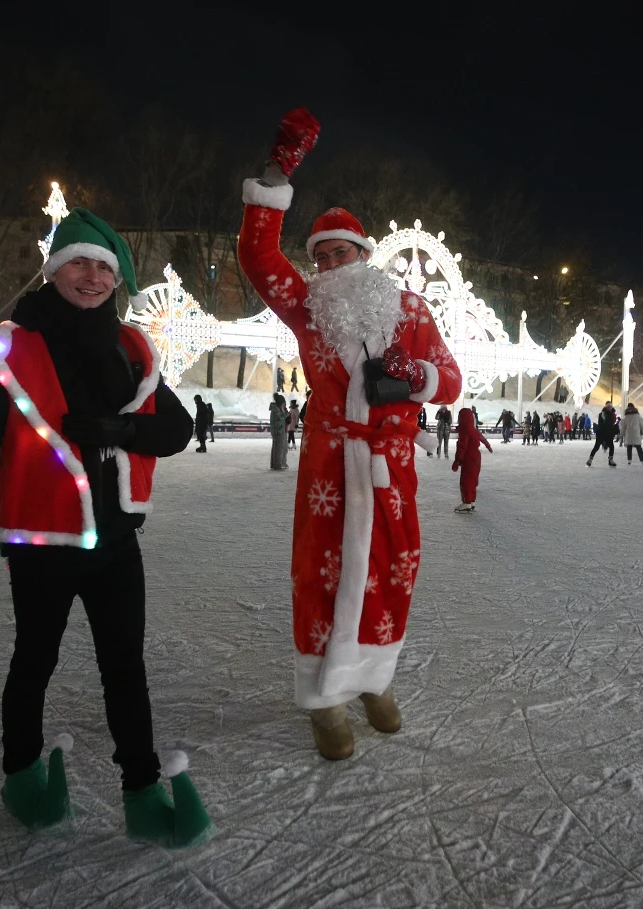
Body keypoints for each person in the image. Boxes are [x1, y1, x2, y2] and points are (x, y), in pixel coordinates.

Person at [0, 206, 210, 846]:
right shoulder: (9, 349)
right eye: (78, 262)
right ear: (52, 270)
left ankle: (143, 792)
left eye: (104, 268)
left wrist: (125, 429)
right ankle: (22, 778)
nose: (92, 277)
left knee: (126, 668)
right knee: (34, 661)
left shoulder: (129, 347)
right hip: (41, 545)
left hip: (116, 544)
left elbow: (177, 429)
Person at [237, 108, 462, 761]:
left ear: (366, 257)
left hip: (391, 463)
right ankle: (324, 699)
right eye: (322, 256)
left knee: (391, 570)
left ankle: (372, 677)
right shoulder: (307, 307)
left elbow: (450, 379)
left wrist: (415, 378)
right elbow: (257, 256)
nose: (333, 263)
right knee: (323, 570)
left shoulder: (411, 309)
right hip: (331, 462)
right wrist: (276, 176)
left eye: (343, 252)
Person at [451, 407, 492, 512]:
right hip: (476, 457)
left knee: (466, 480)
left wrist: (457, 460)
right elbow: (482, 438)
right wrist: (488, 447)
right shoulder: (473, 430)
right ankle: (472, 500)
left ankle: (467, 503)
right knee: (473, 480)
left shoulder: (465, 431)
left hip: (468, 457)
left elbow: (462, 446)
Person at [587, 402, 618, 467]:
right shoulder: (602, 414)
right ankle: (590, 459)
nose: (610, 408)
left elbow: (611, 423)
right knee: (596, 447)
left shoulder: (612, 414)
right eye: (608, 407)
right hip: (601, 433)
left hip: (608, 433)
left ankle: (611, 460)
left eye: (610, 407)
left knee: (611, 447)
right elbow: (603, 424)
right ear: (606, 407)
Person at [269, 391, 288, 470]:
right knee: (278, 448)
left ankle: (274, 464)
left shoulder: (275, 409)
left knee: (275, 448)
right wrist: (287, 414)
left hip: (276, 430)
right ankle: (277, 465)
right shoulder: (276, 410)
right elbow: (280, 418)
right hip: (278, 431)